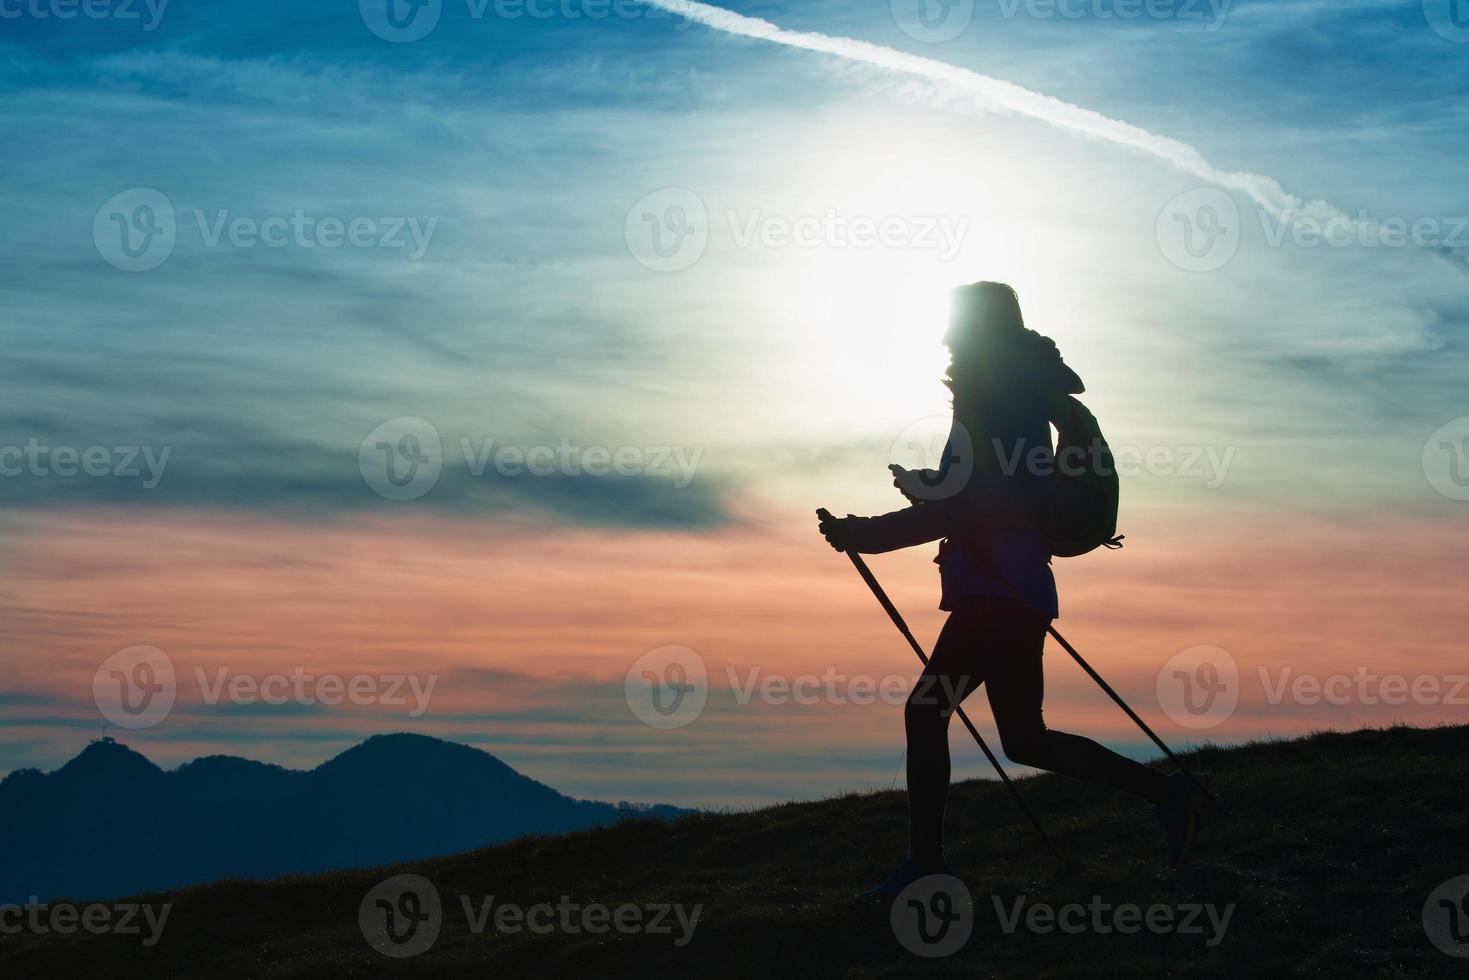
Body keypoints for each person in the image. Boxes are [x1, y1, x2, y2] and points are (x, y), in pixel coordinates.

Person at [816, 282, 1206, 898]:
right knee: (1024, 739)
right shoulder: (1014, 393)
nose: (945, 333)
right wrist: (928, 488)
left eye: (955, 322)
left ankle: (925, 865)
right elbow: (987, 494)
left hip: (996, 588)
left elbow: (973, 503)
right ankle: (1169, 794)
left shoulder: (992, 397)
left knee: (926, 709)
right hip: (1015, 583)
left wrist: (864, 534)